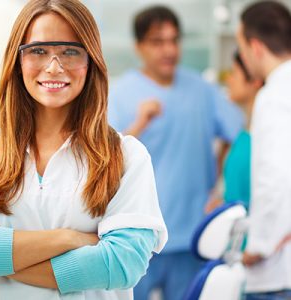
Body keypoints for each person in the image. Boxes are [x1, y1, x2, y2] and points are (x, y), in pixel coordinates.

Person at [0, 1, 168, 299]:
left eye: (70, 51)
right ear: (17, 60)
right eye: (38, 51)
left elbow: (121, 265)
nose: (54, 67)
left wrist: (2, 258)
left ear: (91, 61)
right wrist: (70, 238)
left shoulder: (125, 157)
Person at [108, 5, 243, 300]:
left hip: (192, 234)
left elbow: (238, 135)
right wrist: (139, 124)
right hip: (137, 234)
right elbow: (103, 158)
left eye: (173, 40)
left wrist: (220, 185)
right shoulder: (119, 94)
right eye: (158, 42)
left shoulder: (202, 89)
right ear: (139, 47)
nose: (169, 49)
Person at [236, 1, 291, 299]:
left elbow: (277, 177)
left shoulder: (273, 96)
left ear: (255, 47)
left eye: (241, 47)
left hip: (278, 274)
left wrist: (258, 245)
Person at [205, 51, 263, 213]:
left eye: (234, 73)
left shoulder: (264, 138)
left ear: (255, 81)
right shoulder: (244, 134)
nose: (229, 80)